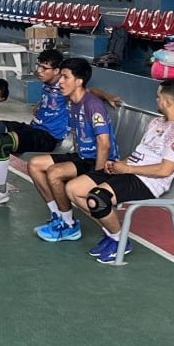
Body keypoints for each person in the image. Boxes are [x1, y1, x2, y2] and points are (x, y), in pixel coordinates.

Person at [0, 51, 120, 207]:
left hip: (47, 137)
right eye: (38, 66)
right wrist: (40, 106)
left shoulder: (73, 93)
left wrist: (107, 96)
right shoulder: (49, 86)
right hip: (33, 128)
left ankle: (0, 191)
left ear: (57, 71)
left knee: (2, 143)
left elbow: (90, 93)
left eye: (44, 68)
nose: (38, 71)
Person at [66, 79, 174, 263]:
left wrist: (128, 168)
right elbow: (140, 153)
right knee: (73, 189)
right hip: (130, 171)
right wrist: (118, 164)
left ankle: (119, 240)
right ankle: (113, 234)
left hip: (149, 181)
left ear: (167, 102)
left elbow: (165, 170)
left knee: (97, 198)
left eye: (157, 97)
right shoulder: (157, 122)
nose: (156, 101)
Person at [30, 57, 119, 242]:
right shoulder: (72, 101)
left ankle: (69, 225)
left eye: (65, 77)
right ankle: (58, 216)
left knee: (54, 173)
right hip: (82, 156)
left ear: (78, 81)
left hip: (98, 161)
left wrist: (98, 175)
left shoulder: (92, 105)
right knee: (35, 164)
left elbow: (104, 143)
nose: (60, 82)